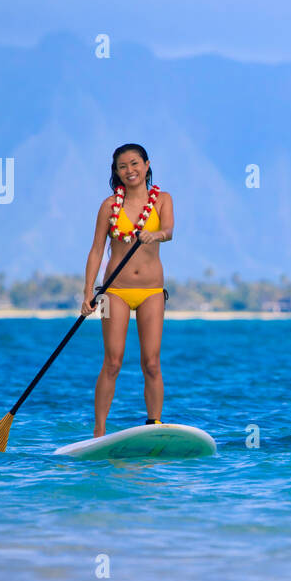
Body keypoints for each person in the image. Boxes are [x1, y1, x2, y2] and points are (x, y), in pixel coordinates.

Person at [81, 143, 175, 436]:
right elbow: (97, 250)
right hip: (114, 292)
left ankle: (154, 425)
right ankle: (99, 431)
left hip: (151, 291)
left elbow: (169, 232)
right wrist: (88, 293)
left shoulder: (162, 200)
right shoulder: (110, 206)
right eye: (122, 166)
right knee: (112, 360)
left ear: (147, 165)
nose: (129, 170)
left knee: (151, 361)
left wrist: (155, 234)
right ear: (117, 173)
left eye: (135, 164)